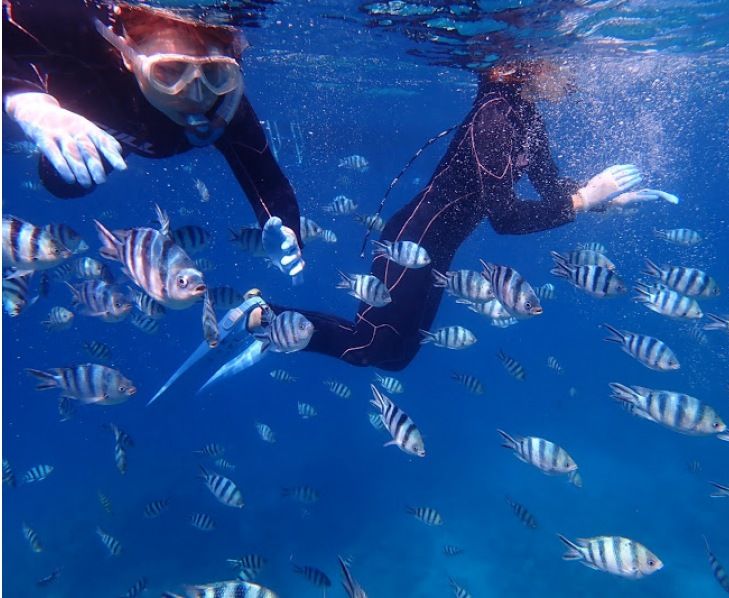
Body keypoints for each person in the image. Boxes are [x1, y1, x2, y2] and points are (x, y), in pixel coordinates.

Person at [150, 57, 678, 402]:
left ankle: (269, 323)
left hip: (436, 253)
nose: (575, 74)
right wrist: (585, 201)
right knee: (370, 344)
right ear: (527, 64)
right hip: (414, 243)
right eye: (565, 62)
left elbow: (550, 187)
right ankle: (263, 317)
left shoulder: (527, 120)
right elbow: (506, 217)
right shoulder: (495, 116)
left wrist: (605, 200)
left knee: (397, 357)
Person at [3, 0, 303, 278]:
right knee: (62, 180)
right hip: (86, 119)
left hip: (122, 138)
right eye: (169, 71)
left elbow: (268, 181)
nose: (195, 95)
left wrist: (286, 231)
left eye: (215, 73)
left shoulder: (224, 105)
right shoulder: (77, 29)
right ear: (127, 54)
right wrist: (23, 100)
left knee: (67, 180)